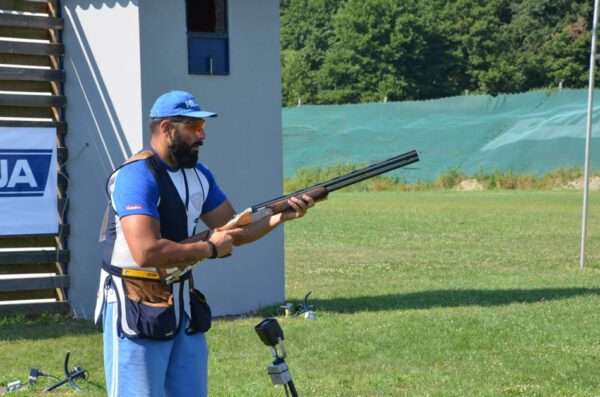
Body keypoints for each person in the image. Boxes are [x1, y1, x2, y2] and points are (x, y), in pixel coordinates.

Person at [94, 90, 314, 397]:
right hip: (135, 304)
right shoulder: (135, 176)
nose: (203, 135)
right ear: (167, 128)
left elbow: (234, 229)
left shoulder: (199, 175)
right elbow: (146, 252)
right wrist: (209, 248)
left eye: (203, 127)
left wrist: (280, 216)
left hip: (181, 304)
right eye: (194, 127)